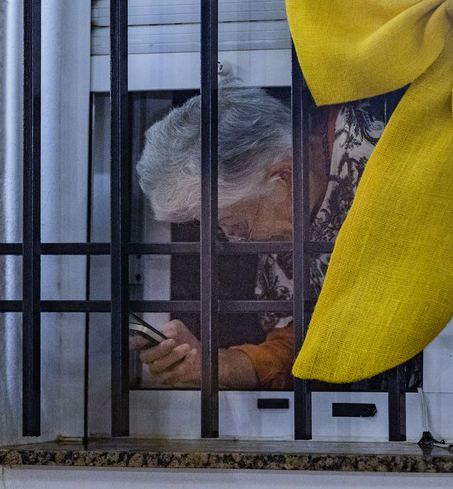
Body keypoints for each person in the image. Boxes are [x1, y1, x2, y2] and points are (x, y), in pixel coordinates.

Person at [133, 84, 385, 389]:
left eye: (236, 223)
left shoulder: (376, 151)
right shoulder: (282, 222)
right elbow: (297, 347)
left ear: (284, 178)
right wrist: (215, 363)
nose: (232, 239)